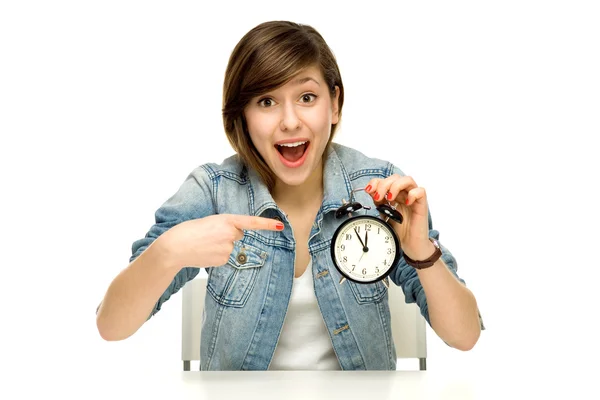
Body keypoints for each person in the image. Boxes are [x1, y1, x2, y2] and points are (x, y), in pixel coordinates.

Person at [96, 20, 484, 371]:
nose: (290, 121)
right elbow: (112, 326)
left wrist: (420, 250)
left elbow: (465, 336)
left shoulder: (379, 188)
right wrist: (168, 251)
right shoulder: (213, 190)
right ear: (243, 117)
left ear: (334, 104)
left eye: (307, 97)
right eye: (266, 102)